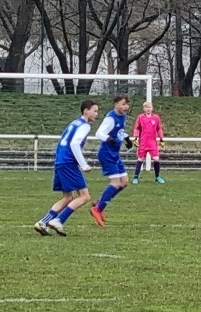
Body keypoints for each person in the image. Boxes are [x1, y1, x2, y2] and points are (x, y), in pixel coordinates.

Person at [34, 99, 99, 236]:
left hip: (60, 161)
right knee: (84, 196)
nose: (96, 114)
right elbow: (74, 144)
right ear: (86, 111)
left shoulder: (74, 123)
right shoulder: (84, 125)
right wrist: (83, 165)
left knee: (68, 197)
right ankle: (59, 220)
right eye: (95, 111)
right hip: (68, 162)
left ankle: (43, 222)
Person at [90, 95, 133, 227]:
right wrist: (108, 139)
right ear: (116, 104)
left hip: (114, 154)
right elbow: (99, 133)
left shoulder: (122, 116)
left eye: (127, 104)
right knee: (115, 183)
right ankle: (97, 209)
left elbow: (119, 130)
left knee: (124, 182)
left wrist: (127, 138)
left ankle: (100, 204)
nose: (125, 107)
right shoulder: (110, 118)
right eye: (123, 104)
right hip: (107, 154)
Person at [131, 100, 166, 184]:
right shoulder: (140, 117)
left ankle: (157, 177)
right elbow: (137, 128)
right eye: (146, 107)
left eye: (149, 107)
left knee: (156, 159)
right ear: (144, 108)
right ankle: (135, 177)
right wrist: (135, 138)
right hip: (143, 142)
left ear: (152, 108)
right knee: (140, 159)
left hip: (152, 142)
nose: (148, 109)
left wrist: (161, 138)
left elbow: (159, 128)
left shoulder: (156, 118)